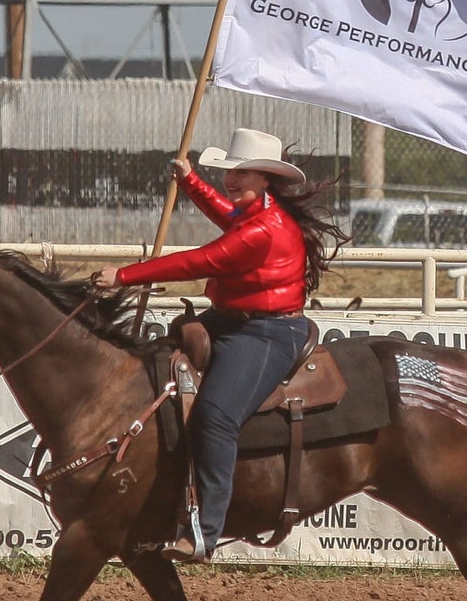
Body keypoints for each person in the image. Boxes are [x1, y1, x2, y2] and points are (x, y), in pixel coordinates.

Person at [92, 127, 346, 563]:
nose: (233, 179)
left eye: (243, 172)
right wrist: (191, 181)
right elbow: (228, 215)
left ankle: (205, 530)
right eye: (230, 170)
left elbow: (202, 260)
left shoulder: (265, 228)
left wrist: (124, 275)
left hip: (267, 333)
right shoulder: (256, 212)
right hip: (232, 320)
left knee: (214, 417)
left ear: (266, 179)